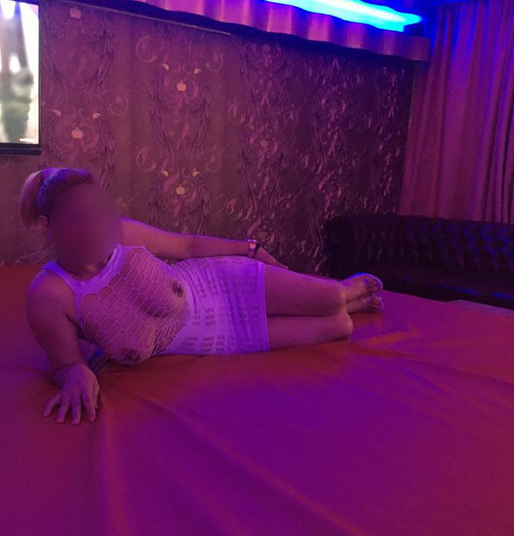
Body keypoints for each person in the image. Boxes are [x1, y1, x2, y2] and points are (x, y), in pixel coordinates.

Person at [20, 167, 383, 427]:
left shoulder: (124, 235)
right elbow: (64, 363)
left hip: (221, 283)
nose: (96, 225)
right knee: (340, 326)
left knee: (331, 298)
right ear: (48, 226)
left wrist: (251, 249)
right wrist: (74, 374)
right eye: (78, 217)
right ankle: (346, 304)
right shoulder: (50, 294)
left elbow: (187, 246)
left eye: (101, 211)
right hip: (222, 339)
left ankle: (345, 291)